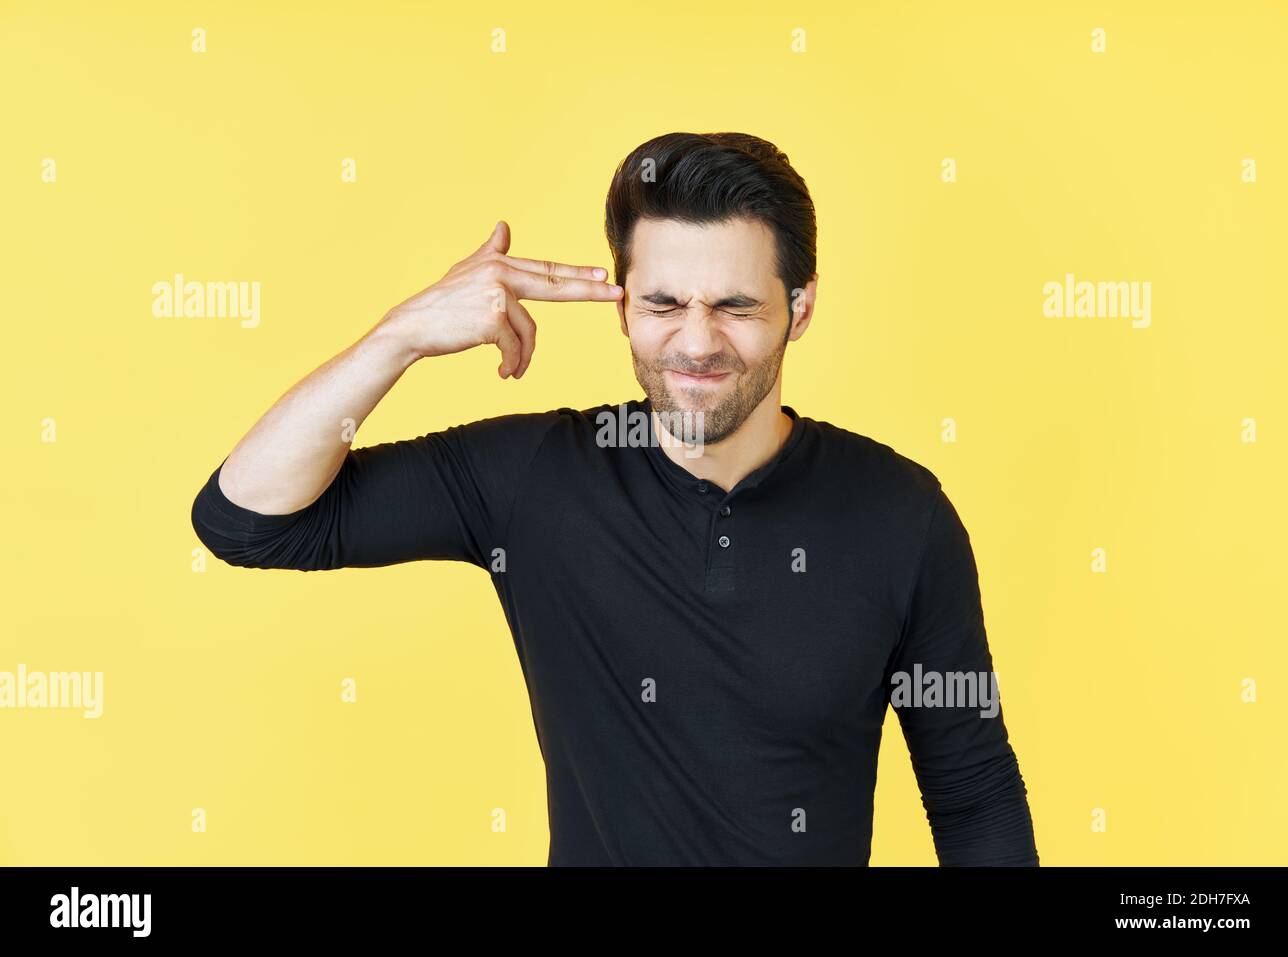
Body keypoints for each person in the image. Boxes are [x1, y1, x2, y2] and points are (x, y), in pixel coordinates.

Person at [191, 131, 1039, 866]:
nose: (697, 341)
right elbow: (245, 518)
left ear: (801, 306)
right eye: (664, 303)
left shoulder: (902, 514)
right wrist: (401, 335)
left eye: (737, 306)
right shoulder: (534, 480)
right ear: (620, 305)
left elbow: (974, 798)